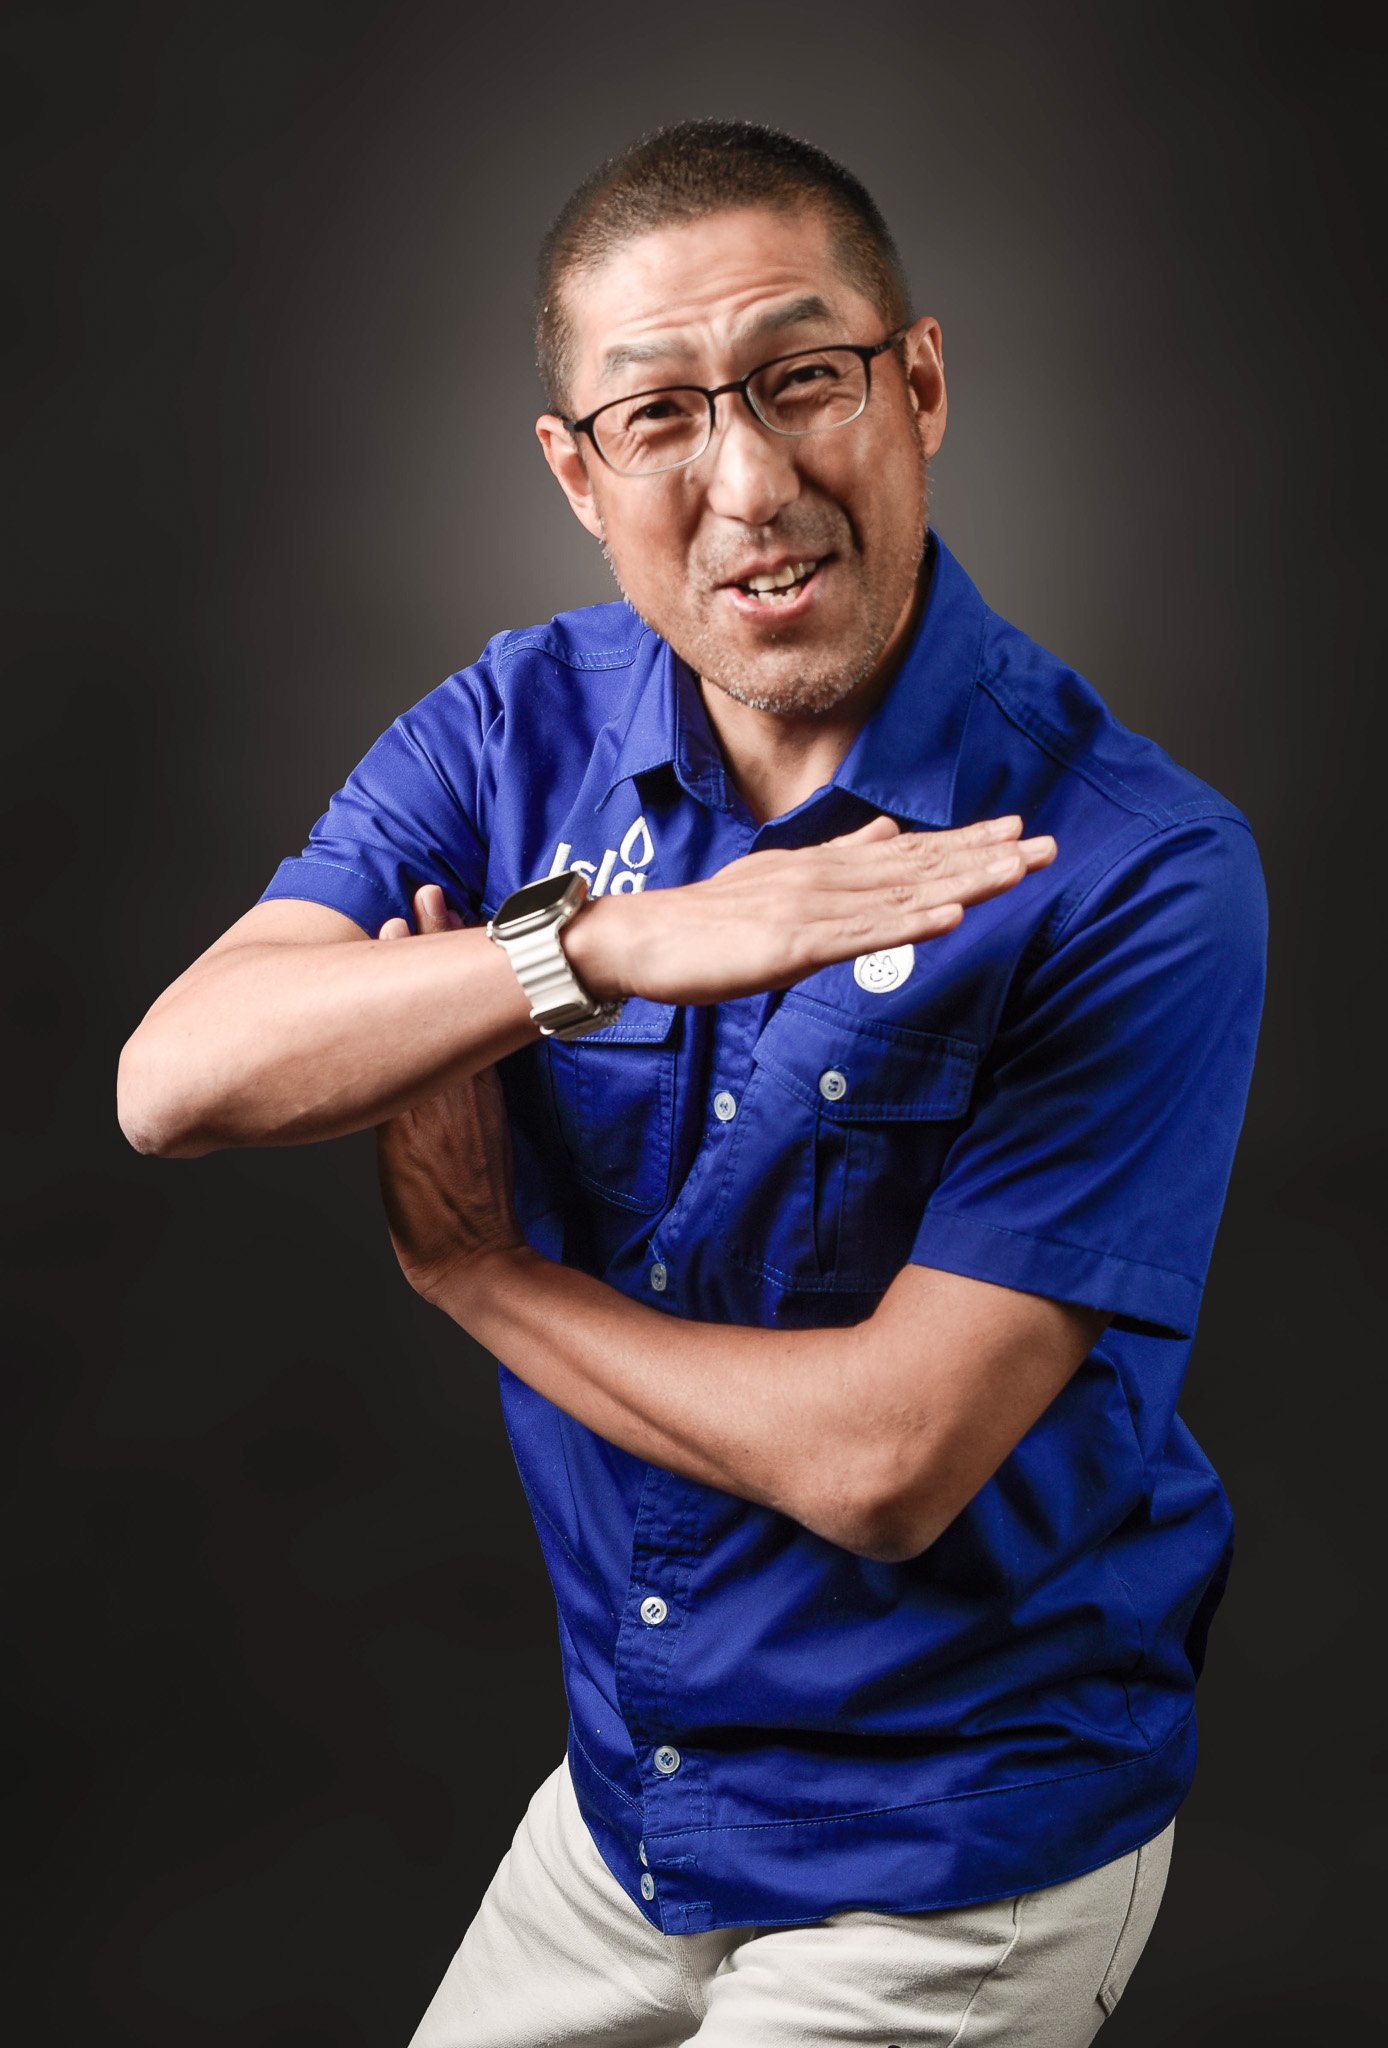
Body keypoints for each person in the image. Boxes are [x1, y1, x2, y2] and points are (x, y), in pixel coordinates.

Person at [117, 120, 1267, 2045]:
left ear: (918, 384)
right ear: (578, 472)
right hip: (636, 1802)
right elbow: (176, 1077)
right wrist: (594, 949)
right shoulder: (515, 728)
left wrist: (479, 1275)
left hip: (949, 1841)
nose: (750, 482)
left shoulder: (1137, 861)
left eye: (804, 380)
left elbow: (888, 1465)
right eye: (658, 417)